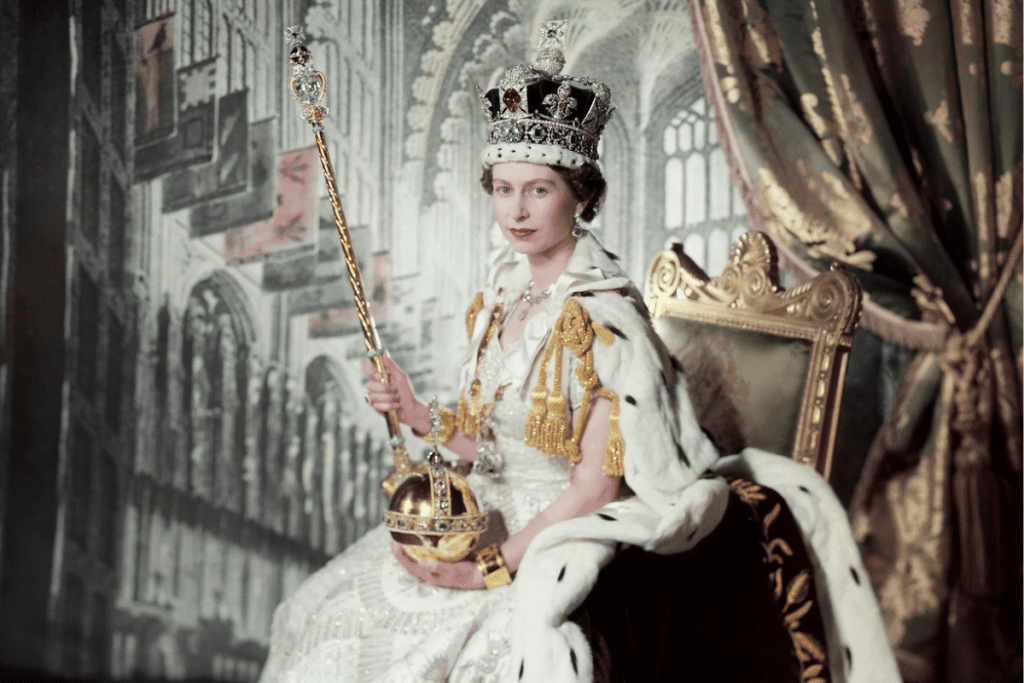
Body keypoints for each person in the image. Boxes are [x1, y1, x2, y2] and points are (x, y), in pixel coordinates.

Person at [260, 22, 898, 683]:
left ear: (582, 196)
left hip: (556, 540)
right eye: (504, 189)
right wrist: (419, 411)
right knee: (321, 611)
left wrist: (490, 567)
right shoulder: (500, 301)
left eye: (539, 189)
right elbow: (491, 445)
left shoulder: (608, 323)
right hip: (484, 508)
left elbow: (593, 488)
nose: (518, 211)